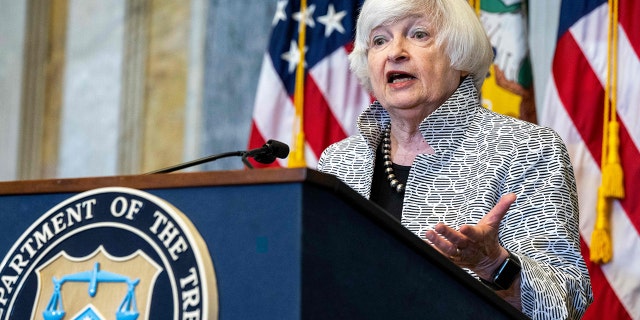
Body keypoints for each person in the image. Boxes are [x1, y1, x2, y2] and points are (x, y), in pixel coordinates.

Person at [316, 0, 593, 318]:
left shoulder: (525, 149)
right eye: (380, 40)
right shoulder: (339, 161)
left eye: (418, 34)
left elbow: (566, 300)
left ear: (460, 54)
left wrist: (494, 263)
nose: (395, 52)